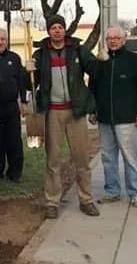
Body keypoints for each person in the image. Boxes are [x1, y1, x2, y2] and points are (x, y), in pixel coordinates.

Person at [28, 15, 98, 219]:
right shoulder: (41, 55)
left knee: (81, 158)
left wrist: (101, 59)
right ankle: (52, 201)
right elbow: (29, 85)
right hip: (53, 112)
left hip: (75, 111)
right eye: (53, 28)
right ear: (48, 31)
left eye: (60, 27)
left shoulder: (77, 50)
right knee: (53, 159)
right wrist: (28, 71)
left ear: (65, 30)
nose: (56, 31)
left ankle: (86, 199)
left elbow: (94, 70)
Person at [90, 26, 137, 206]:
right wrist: (92, 111)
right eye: (110, 38)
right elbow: (93, 88)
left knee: (130, 158)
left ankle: (136, 193)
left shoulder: (134, 60)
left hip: (128, 119)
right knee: (108, 158)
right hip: (104, 119)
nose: (113, 41)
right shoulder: (100, 62)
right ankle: (112, 191)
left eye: (117, 38)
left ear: (124, 40)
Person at [0, 28, 27, 182]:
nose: (0, 42)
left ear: (7, 41)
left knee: (14, 140)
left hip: (11, 106)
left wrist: (23, 101)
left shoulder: (15, 58)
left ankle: (15, 172)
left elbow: (22, 81)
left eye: (2, 39)